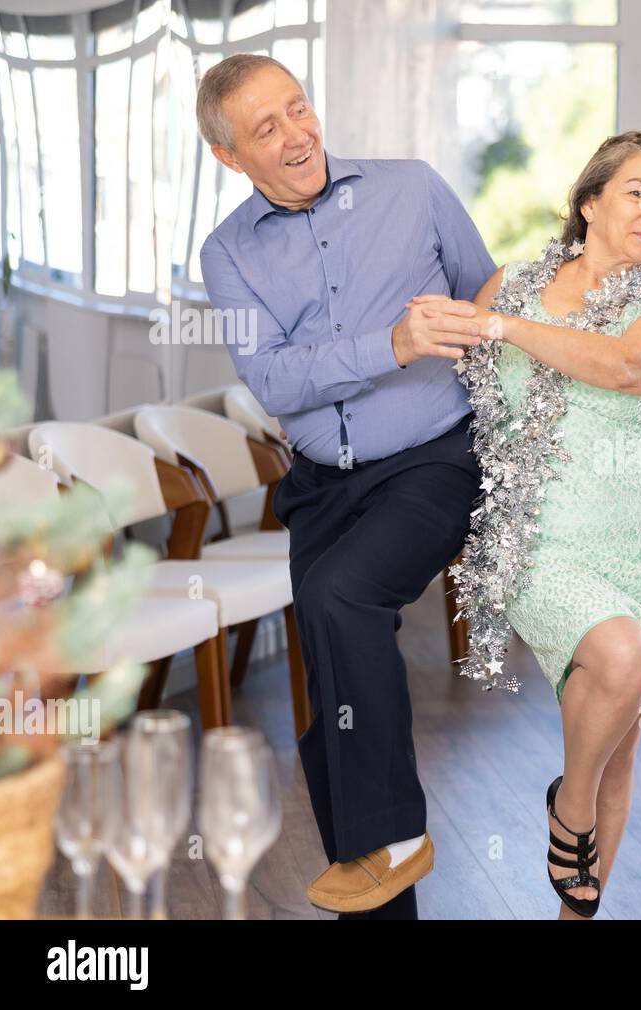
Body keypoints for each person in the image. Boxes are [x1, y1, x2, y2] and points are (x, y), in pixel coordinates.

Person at [197, 54, 495, 919]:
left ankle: (399, 835)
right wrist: (389, 344)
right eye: (266, 129)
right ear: (230, 158)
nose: (297, 136)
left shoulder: (413, 189)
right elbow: (279, 385)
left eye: (298, 109)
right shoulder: (228, 255)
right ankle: (383, 905)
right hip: (323, 484)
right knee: (333, 712)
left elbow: (487, 294)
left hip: (435, 457)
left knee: (340, 594)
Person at [445, 131, 641, 919]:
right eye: (638, 192)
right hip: (537, 537)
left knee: (622, 757)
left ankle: (571, 909)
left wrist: (506, 329)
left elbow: (621, 367)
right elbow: (448, 382)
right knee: (619, 658)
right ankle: (570, 806)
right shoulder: (509, 284)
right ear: (590, 202)